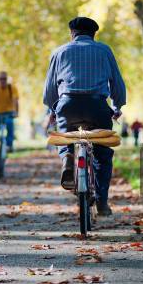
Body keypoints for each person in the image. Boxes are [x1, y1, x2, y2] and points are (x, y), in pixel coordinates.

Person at [43, 16, 126, 216]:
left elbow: (49, 91)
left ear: (72, 33)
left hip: (67, 105)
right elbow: (117, 84)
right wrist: (116, 106)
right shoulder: (104, 50)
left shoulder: (60, 51)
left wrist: (53, 110)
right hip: (97, 106)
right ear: (93, 34)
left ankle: (67, 158)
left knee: (64, 138)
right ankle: (102, 202)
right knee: (102, 154)